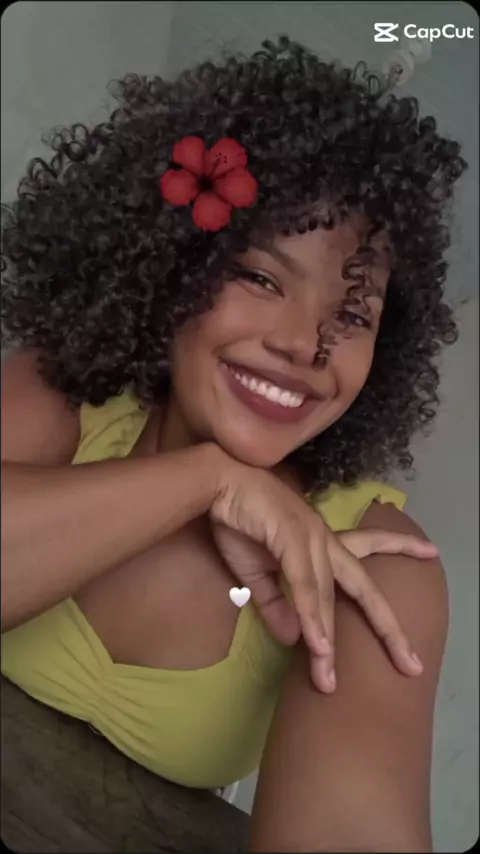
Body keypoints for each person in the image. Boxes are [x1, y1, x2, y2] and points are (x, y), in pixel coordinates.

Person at [1, 37, 465, 852]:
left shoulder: (381, 564)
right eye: (260, 277)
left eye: (352, 315)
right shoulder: (67, 392)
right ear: (172, 268)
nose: (305, 345)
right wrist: (209, 480)